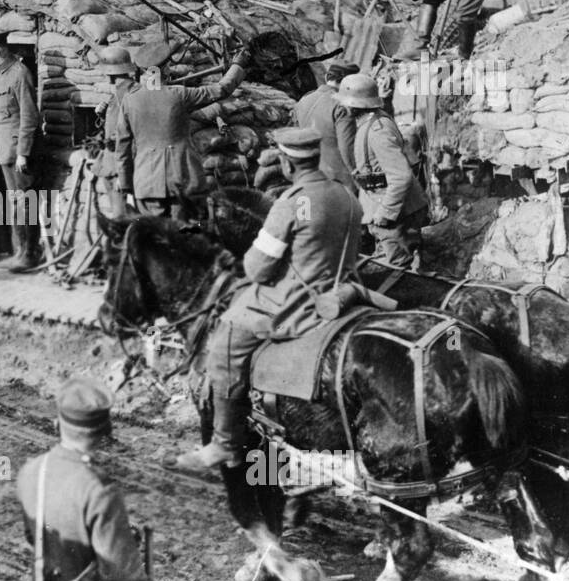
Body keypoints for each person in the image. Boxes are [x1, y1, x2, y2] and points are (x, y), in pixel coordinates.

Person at [176, 128, 362, 476]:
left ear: (287, 164)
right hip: (345, 288)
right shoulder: (345, 194)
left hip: (297, 302)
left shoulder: (291, 203)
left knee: (226, 339)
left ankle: (223, 441)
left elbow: (257, 268)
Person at [17, 376, 163, 581]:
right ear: (103, 433)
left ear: (56, 423)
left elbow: (33, 536)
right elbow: (122, 577)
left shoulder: (31, 471)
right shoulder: (100, 490)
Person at [115, 41, 252, 219]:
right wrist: (237, 65)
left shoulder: (129, 101)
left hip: (146, 185)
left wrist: (126, 185)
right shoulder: (179, 95)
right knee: (186, 237)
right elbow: (221, 90)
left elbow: (122, 147)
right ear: (165, 70)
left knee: (156, 239)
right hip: (182, 180)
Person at [336, 74, 429, 269]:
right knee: (387, 270)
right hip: (384, 207)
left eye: (345, 103)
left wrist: (386, 212)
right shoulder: (370, 123)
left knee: (398, 273)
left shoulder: (378, 131)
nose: (343, 107)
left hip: (396, 213)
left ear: (354, 105)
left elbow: (401, 176)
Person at [0, 36, 43, 273]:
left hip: (18, 152)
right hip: (4, 151)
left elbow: (29, 116)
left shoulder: (20, 73)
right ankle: (20, 250)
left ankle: (30, 252)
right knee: (15, 203)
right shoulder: (0, 75)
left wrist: (24, 153)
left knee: (25, 202)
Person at [292, 60, 358, 186]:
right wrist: (359, 178)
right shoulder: (341, 105)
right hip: (341, 179)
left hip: (313, 176)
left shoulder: (302, 102)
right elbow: (347, 149)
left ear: (327, 77)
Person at [92, 48, 137, 218]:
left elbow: (128, 137)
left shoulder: (126, 95)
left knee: (122, 218)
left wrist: (122, 175)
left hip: (120, 169)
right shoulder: (119, 94)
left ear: (110, 74)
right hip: (112, 165)